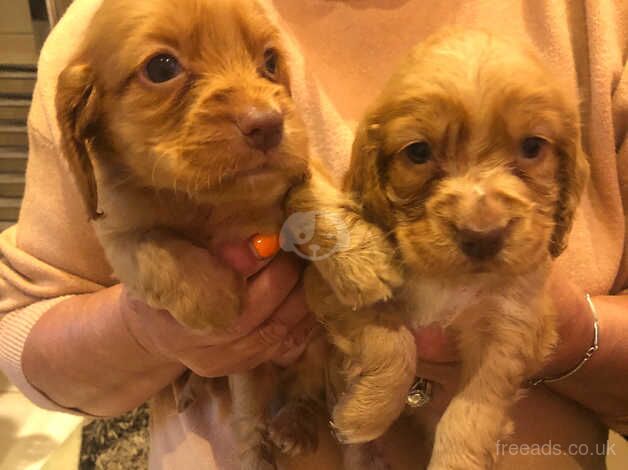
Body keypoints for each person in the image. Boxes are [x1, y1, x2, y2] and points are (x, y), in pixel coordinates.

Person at [0, 0, 626, 468]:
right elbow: (23, 323)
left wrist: (570, 334)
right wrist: (144, 328)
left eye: (270, 64)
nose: (262, 109)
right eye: (164, 69)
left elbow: (315, 202)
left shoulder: (597, 16)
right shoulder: (105, 22)